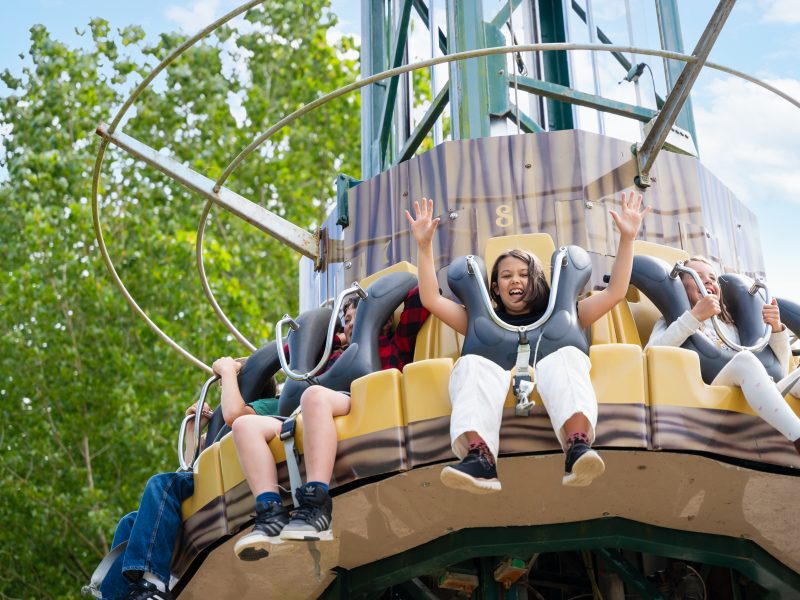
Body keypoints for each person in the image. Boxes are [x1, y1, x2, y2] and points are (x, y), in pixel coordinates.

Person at [405, 193, 650, 493]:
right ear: (495, 288)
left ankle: (577, 445)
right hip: (494, 385)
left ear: (536, 280)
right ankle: (480, 457)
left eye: (523, 274)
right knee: (470, 364)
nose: (515, 280)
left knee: (565, 357)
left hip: (553, 383)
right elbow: (431, 299)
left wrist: (627, 238)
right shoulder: (479, 323)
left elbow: (615, 292)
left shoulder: (567, 315)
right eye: (506, 276)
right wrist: (424, 247)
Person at [232, 287, 428, 558]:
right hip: (305, 413)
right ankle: (270, 512)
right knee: (244, 426)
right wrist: (332, 333)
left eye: (357, 316)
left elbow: (419, 297)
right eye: (346, 319)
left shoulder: (393, 343)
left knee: (314, 396)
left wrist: (377, 301)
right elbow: (293, 348)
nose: (350, 323)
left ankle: (317, 504)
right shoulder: (329, 355)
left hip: (359, 403)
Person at [99, 358, 278, 600]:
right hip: (209, 482)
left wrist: (227, 370)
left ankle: (154, 583)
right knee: (130, 522)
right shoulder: (222, 426)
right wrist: (195, 429)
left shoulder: (267, 406)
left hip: (237, 479)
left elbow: (235, 415)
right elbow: (190, 464)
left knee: (160, 484)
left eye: (228, 385)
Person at [644, 255, 800, 454]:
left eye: (712, 278)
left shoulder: (733, 328)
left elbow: (782, 369)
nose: (708, 281)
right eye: (697, 276)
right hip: (712, 394)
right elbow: (650, 353)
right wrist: (694, 317)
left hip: (763, 394)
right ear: (682, 287)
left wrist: (776, 330)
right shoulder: (674, 320)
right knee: (745, 360)